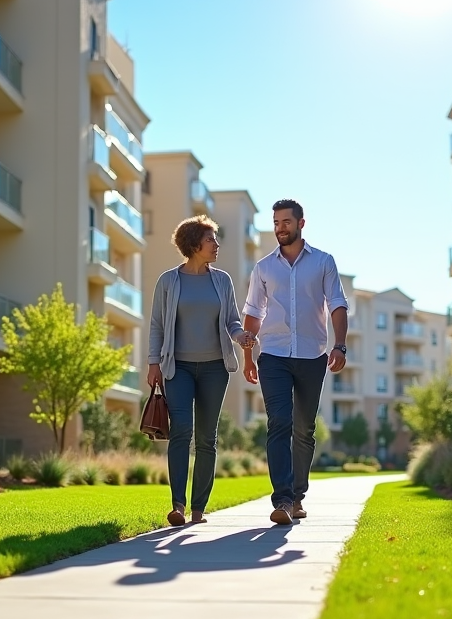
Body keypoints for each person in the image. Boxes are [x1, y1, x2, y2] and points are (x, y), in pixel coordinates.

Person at [242, 198, 349, 525]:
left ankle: (298, 495)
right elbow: (252, 313)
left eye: (286, 222)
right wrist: (248, 356)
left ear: (301, 224)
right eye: (276, 223)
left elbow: (337, 305)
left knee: (304, 429)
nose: (280, 228)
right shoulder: (263, 268)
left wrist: (340, 345)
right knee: (279, 423)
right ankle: (283, 500)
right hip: (272, 355)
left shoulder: (323, 262)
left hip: (312, 355)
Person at [147, 215, 255, 527]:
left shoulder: (222, 280)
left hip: (214, 369)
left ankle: (198, 508)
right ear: (195, 245)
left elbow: (233, 320)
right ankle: (177, 505)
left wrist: (241, 336)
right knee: (181, 430)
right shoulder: (169, 281)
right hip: (177, 367)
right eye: (211, 240)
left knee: (207, 438)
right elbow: (156, 325)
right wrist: (154, 363)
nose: (216, 245)